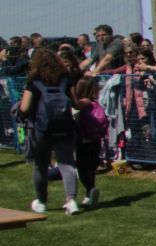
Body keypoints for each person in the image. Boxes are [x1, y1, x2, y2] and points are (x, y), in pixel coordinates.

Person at [19, 49, 81, 215]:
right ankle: (71, 200)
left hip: (43, 128)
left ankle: (41, 201)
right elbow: (75, 103)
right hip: (65, 126)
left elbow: (24, 107)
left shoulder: (34, 81)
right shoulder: (65, 79)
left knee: (41, 165)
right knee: (67, 163)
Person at [72, 76, 107, 208]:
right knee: (91, 168)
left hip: (84, 139)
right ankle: (89, 195)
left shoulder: (84, 102)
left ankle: (90, 190)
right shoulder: (95, 103)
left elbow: (75, 105)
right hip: (96, 138)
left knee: (81, 169)